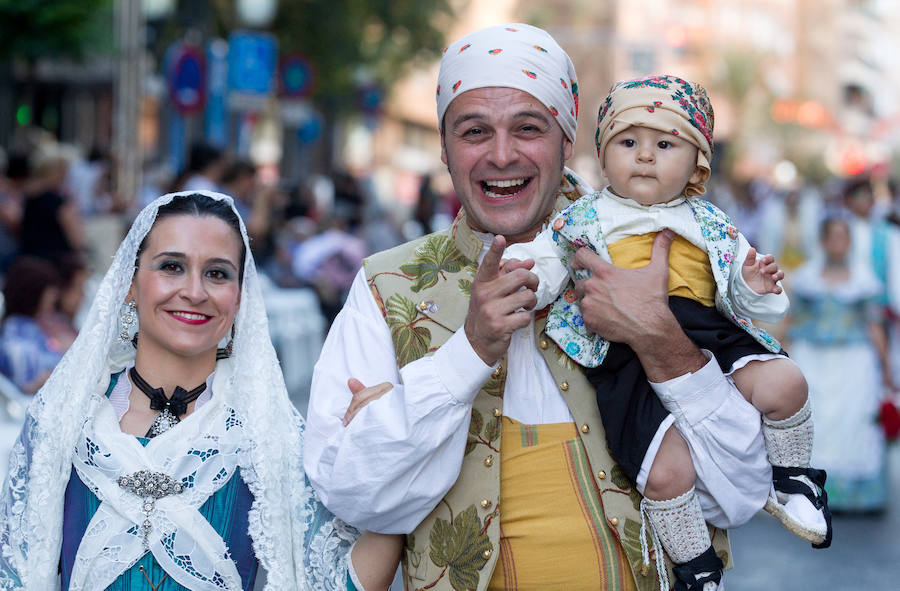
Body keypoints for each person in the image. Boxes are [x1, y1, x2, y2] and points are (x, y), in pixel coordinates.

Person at [305, 25, 778, 591]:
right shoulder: (389, 287)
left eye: (528, 128)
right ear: (444, 147)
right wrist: (468, 354)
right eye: (474, 130)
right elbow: (351, 493)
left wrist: (660, 340)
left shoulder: (680, 257)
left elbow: (740, 494)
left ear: (566, 139)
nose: (501, 155)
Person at [502, 75, 832, 571]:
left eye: (665, 144)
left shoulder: (710, 221)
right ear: (603, 151)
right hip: (617, 353)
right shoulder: (586, 215)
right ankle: (695, 565)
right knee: (664, 471)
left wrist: (754, 285)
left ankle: (795, 479)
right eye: (628, 141)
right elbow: (550, 262)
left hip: (709, 330)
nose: (645, 156)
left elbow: (739, 289)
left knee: (787, 382)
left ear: (697, 161)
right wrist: (522, 273)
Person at [0, 191, 400, 590]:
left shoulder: (270, 433)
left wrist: (396, 453)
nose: (194, 291)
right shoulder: (64, 417)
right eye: (172, 266)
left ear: (240, 296)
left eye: (217, 273)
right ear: (130, 282)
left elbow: (335, 584)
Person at [788, 216, 894, 513]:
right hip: (813, 358)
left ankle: (857, 494)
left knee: (853, 420)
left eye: (843, 237)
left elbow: (875, 325)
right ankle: (813, 492)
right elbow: (792, 319)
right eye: (832, 236)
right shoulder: (806, 278)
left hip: (854, 361)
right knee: (816, 421)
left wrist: (886, 369)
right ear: (823, 241)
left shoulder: (864, 280)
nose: (838, 243)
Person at [0, 257, 65, 393]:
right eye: (50, 292)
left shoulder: (31, 327)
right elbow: (25, 385)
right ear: (36, 293)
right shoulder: (18, 331)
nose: (55, 297)